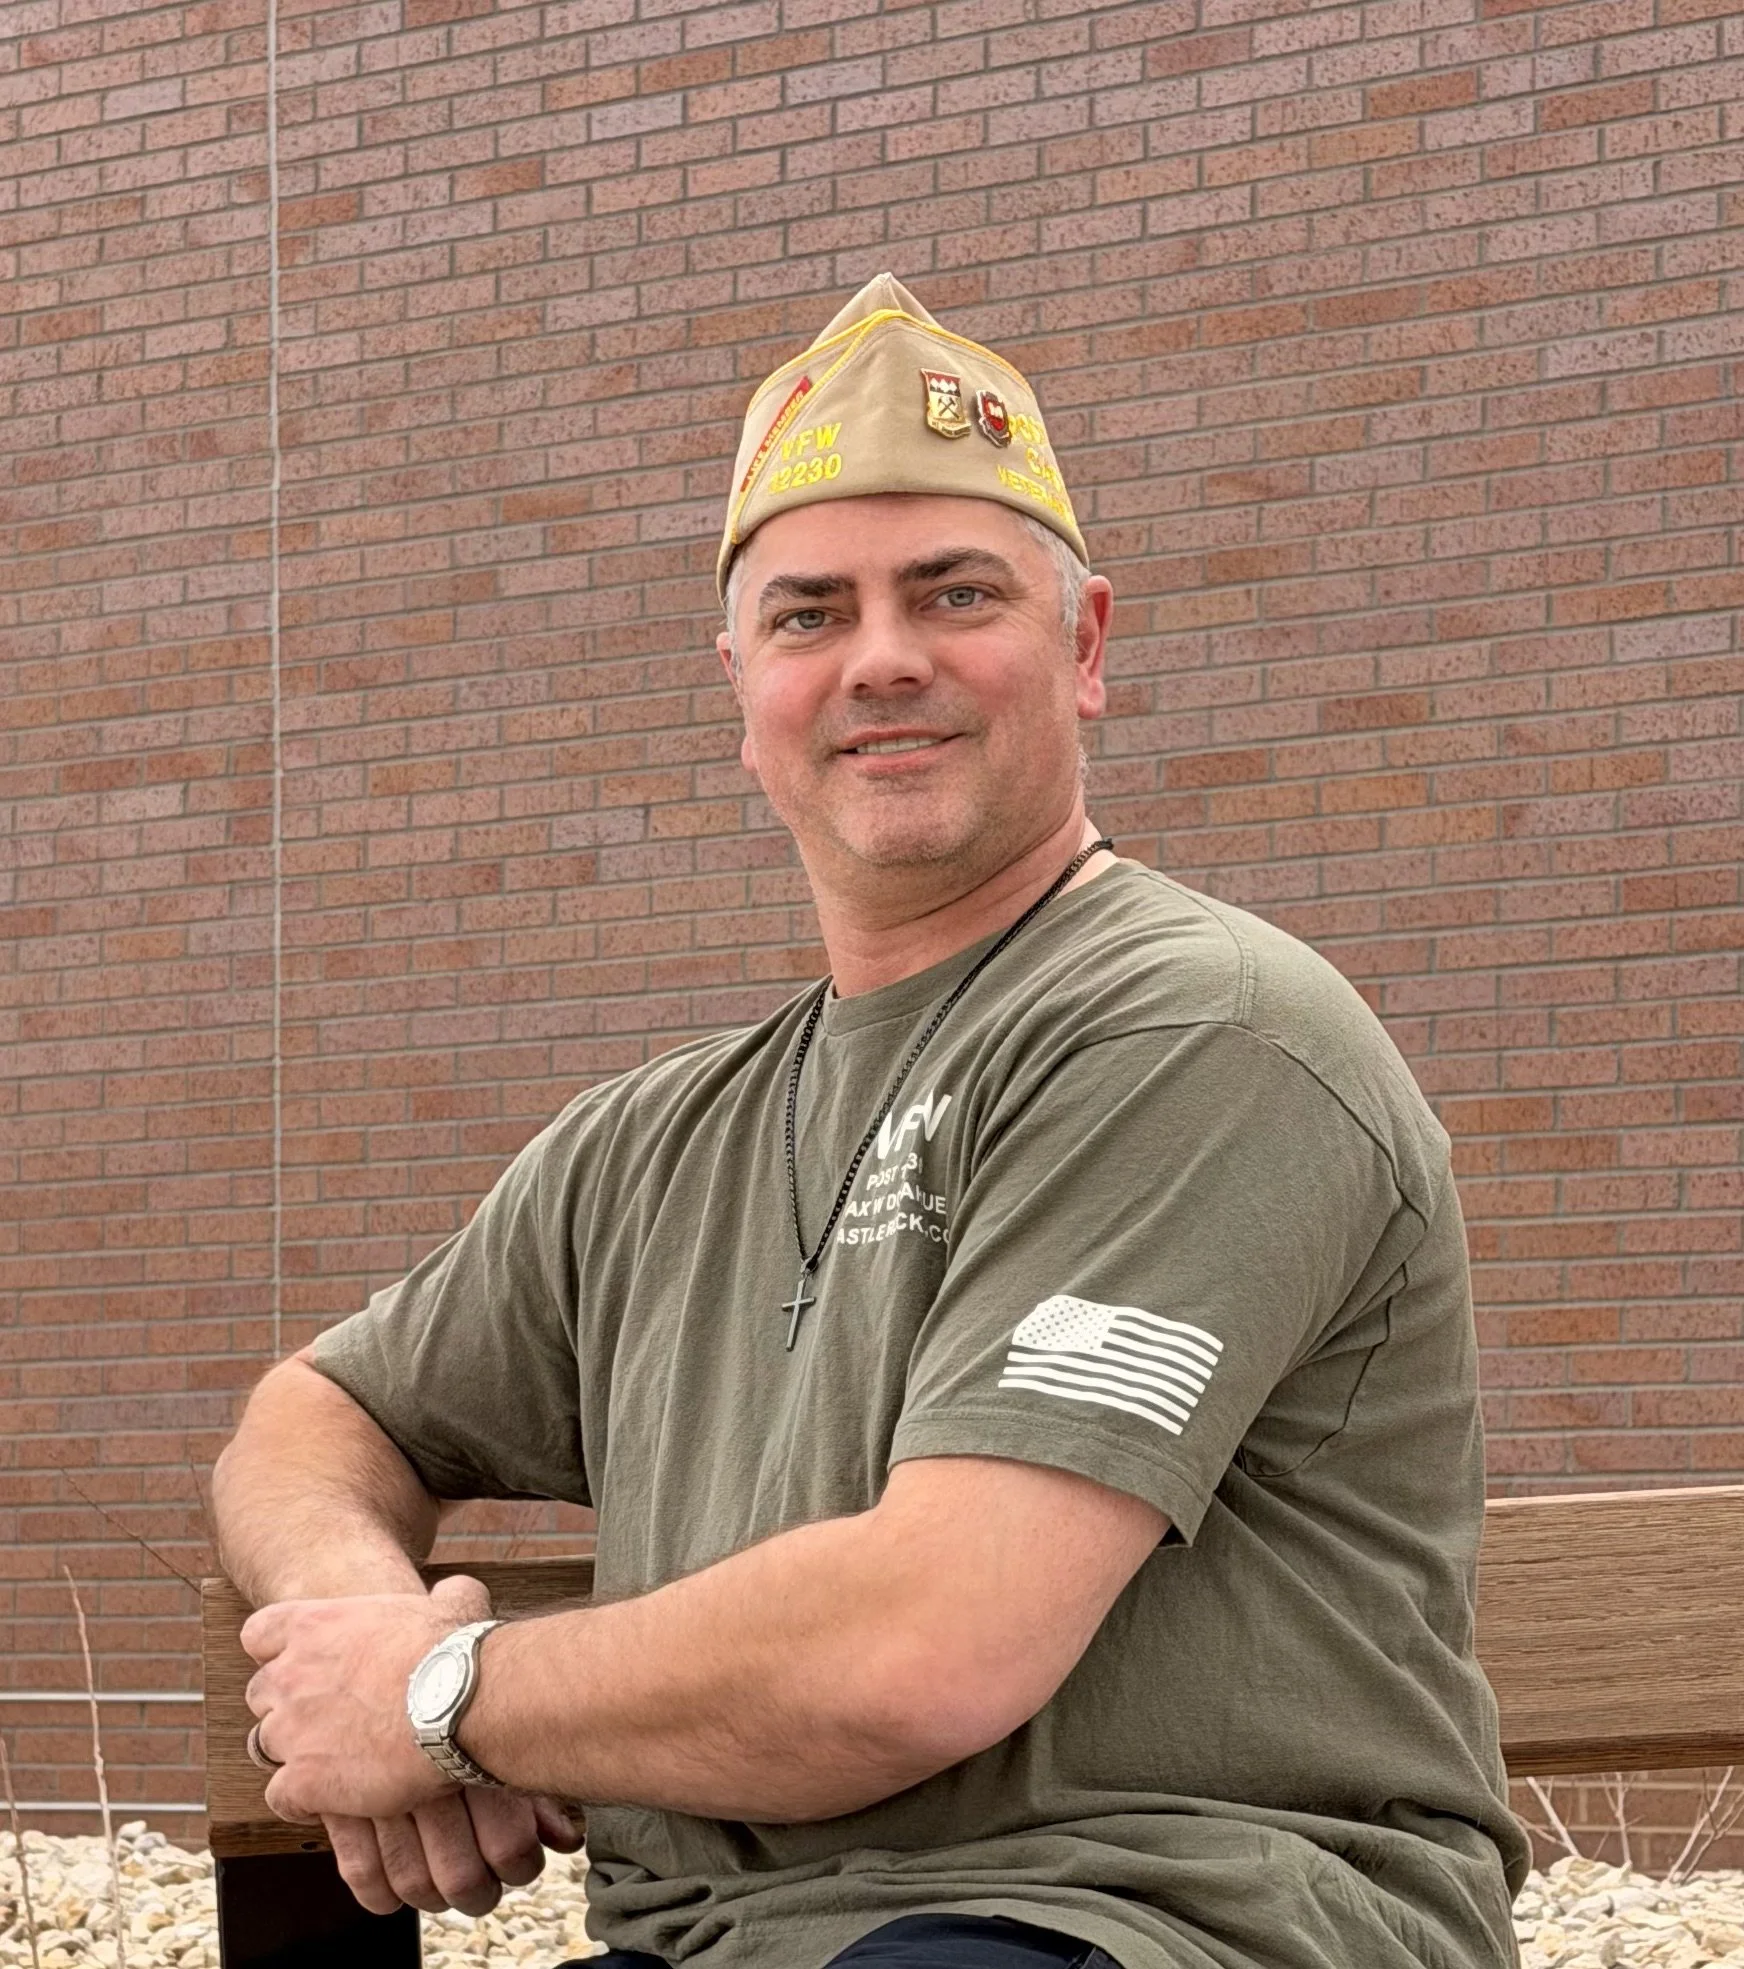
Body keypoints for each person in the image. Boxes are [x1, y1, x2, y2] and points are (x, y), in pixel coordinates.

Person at [214, 273, 1528, 1969]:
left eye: (954, 593)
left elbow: (926, 1651)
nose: (883, 659)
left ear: (1089, 645)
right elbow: (316, 1416)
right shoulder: (652, 1147)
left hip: (1153, 1918)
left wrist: (450, 1697)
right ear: (742, 688)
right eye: (810, 614)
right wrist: (365, 1624)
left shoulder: (1202, 1035)